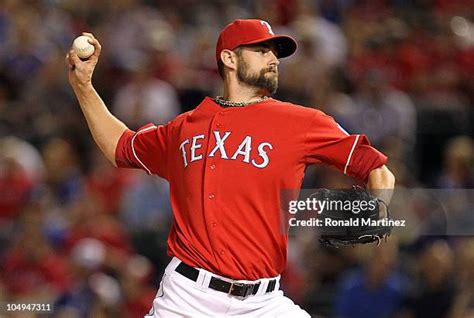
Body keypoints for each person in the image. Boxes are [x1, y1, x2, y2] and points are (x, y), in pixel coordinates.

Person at [66, 19, 395, 317]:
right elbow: (120, 147)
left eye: (275, 53)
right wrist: (83, 86)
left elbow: (375, 168)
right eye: (262, 50)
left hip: (263, 303)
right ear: (229, 58)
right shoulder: (185, 128)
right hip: (187, 298)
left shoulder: (303, 123)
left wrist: (379, 209)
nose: (273, 59)